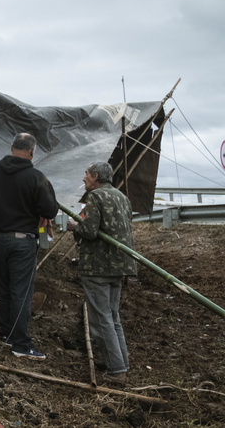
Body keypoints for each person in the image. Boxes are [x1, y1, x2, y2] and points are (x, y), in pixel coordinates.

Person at [0, 132, 59, 359]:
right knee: (21, 292)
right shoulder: (35, 177)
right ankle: (21, 345)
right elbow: (50, 210)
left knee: (4, 288)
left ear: (11, 146)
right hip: (21, 241)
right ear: (32, 152)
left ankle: (6, 335)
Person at [66, 161, 137, 388]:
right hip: (119, 265)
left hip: (98, 266)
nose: (84, 177)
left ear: (96, 176)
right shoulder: (122, 197)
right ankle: (121, 363)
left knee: (101, 319)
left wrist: (73, 225)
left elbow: (89, 231)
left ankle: (116, 371)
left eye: (86, 174)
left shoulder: (95, 198)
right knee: (113, 316)